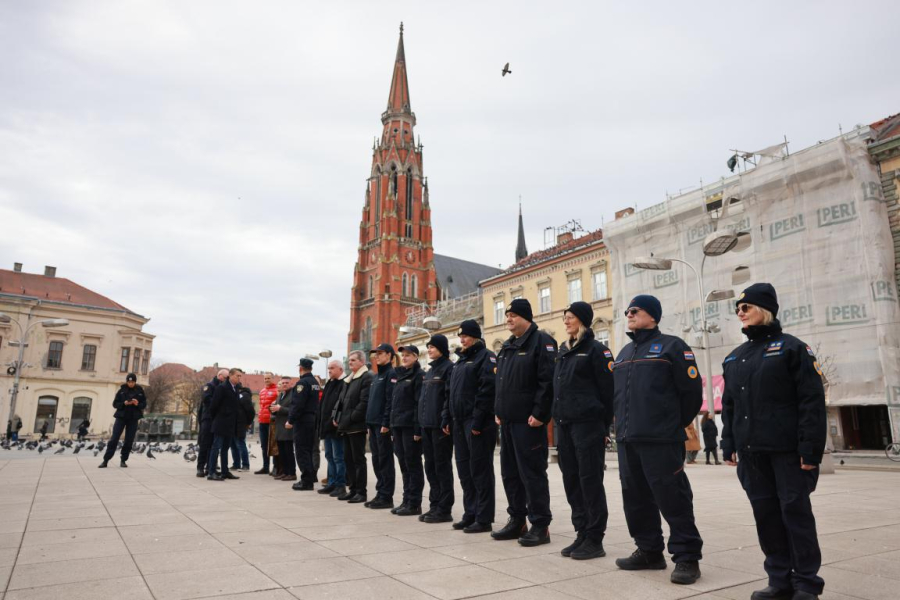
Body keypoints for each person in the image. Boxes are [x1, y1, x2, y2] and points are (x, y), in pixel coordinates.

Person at [721, 283, 827, 600]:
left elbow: (811, 402)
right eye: (737, 309)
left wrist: (811, 450)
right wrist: (728, 444)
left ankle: (806, 583)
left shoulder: (793, 349)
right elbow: (729, 406)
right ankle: (779, 580)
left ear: (765, 309)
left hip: (788, 453)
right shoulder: (734, 357)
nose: (740, 312)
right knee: (766, 516)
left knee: (795, 515)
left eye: (746, 307)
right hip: (753, 455)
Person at [612, 294, 704, 585]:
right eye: (627, 310)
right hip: (628, 440)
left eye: (634, 310)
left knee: (673, 499)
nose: (629, 313)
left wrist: (669, 426)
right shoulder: (625, 352)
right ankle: (649, 550)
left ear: (652, 315)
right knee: (635, 499)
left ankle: (687, 556)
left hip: (661, 441)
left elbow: (691, 395)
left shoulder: (673, 347)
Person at [553, 302, 614, 560]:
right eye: (565, 317)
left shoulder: (597, 351)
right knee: (571, 481)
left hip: (587, 426)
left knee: (590, 481)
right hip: (564, 426)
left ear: (583, 321)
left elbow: (609, 393)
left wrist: (602, 426)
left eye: (571, 318)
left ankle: (595, 538)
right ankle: (581, 532)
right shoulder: (563, 352)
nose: (566, 321)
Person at [493, 298, 556, 547]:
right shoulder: (508, 346)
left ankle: (541, 525)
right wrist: (498, 410)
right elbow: (502, 383)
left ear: (526, 317)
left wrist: (540, 414)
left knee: (532, 475)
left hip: (529, 423)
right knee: (510, 473)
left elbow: (547, 381)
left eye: (513, 315)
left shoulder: (542, 341)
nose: (508, 319)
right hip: (507, 422)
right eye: (506, 315)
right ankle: (517, 520)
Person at [447, 320, 497, 533]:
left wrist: (477, 421)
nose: (462, 339)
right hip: (459, 422)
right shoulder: (460, 361)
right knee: (465, 471)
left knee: (480, 471)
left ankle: (484, 518)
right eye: (460, 336)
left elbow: (487, 391)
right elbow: (451, 393)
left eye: (465, 336)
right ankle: (470, 513)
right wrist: (447, 418)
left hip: (477, 424)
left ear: (475, 336)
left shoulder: (486, 357)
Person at [419, 334, 455, 523]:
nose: (429, 350)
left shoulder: (448, 368)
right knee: (430, 467)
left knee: (442, 467)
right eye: (428, 347)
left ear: (441, 348)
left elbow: (448, 397)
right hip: (427, 425)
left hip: (440, 427)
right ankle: (434, 505)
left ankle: (444, 508)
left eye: (432, 347)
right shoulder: (430, 371)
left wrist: (445, 420)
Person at [389, 345, 425, 516]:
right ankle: (406, 500)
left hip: (410, 426)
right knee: (403, 464)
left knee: (413, 464)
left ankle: (414, 503)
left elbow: (419, 403)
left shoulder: (418, 375)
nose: (404, 358)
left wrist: (418, 429)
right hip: (398, 425)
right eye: (403, 355)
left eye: (408, 355)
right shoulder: (400, 375)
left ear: (416, 357)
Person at [332, 350, 372, 503]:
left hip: (356, 426)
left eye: (354, 360)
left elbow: (363, 404)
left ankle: (361, 492)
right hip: (346, 426)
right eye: (349, 360)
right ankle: (353, 489)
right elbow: (341, 401)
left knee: (358, 460)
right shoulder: (349, 379)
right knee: (348, 459)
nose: (350, 363)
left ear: (362, 361)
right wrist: (336, 417)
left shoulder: (366, 377)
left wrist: (349, 419)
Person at [366, 343, 397, 509]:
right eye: (375, 354)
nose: (376, 356)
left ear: (390, 355)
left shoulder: (391, 374)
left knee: (385, 460)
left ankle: (386, 496)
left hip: (382, 425)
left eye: (380, 353)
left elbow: (389, 401)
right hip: (372, 423)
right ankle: (380, 492)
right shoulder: (377, 376)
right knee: (377, 460)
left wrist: (386, 423)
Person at [99, 373, 146, 468]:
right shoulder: (121, 390)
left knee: (129, 440)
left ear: (135, 382)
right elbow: (115, 404)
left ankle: (123, 460)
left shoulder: (140, 391)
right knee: (114, 438)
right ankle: (106, 460)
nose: (130, 384)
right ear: (127, 381)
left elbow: (144, 404)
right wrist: (124, 403)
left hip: (133, 418)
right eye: (129, 382)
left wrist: (137, 404)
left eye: (132, 382)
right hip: (121, 417)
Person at [206, 368, 243, 481]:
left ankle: (224, 471)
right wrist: (217, 419)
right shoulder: (221, 388)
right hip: (221, 422)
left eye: (240, 376)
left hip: (230, 424)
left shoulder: (235, 388)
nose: (239, 378)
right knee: (216, 447)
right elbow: (213, 406)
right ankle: (211, 472)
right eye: (237, 375)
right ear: (230, 376)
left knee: (225, 448)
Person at [290, 358, 321, 490]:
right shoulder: (314, 382)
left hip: (302, 420)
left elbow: (298, 404)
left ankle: (306, 481)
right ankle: (310, 478)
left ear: (300, 368)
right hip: (312, 419)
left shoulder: (302, 383)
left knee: (301, 451)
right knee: (309, 450)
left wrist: (290, 420)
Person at [318, 360, 347, 498]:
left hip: (336, 427)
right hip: (326, 427)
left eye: (332, 368)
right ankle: (331, 483)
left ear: (340, 369)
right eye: (328, 368)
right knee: (329, 456)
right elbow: (323, 404)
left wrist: (336, 421)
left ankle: (340, 485)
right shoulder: (330, 382)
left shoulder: (344, 382)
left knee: (338, 457)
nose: (329, 370)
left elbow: (342, 404)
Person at [197, 369, 228, 477]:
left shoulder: (223, 387)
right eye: (225, 378)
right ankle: (200, 468)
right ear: (219, 376)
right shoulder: (209, 386)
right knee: (205, 444)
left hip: (217, 419)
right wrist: (219, 406)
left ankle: (211, 468)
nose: (226, 380)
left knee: (214, 445)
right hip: (208, 418)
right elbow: (207, 399)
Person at [270, 376, 296, 481]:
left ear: (291, 384)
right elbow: (277, 408)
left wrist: (280, 408)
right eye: (283, 383)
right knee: (282, 452)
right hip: (279, 427)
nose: (284, 384)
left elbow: (293, 410)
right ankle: (284, 472)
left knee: (288, 452)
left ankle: (291, 473)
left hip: (287, 427)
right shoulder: (280, 395)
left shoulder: (293, 395)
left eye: (286, 383)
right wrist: (273, 409)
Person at [255, 372, 278, 475]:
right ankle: (265, 467)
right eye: (265, 378)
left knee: (273, 445)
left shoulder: (276, 391)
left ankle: (275, 467)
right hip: (262, 421)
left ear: (273, 379)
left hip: (272, 422)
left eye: (268, 378)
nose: (267, 380)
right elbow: (261, 405)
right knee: (264, 445)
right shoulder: (262, 391)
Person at [230, 385, 255, 470]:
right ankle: (236, 464)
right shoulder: (235, 394)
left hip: (240, 424)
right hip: (232, 424)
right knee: (233, 444)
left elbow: (251, 411)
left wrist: (248, 422)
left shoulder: (244, 395)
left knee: (240, 444)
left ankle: (245, 464)